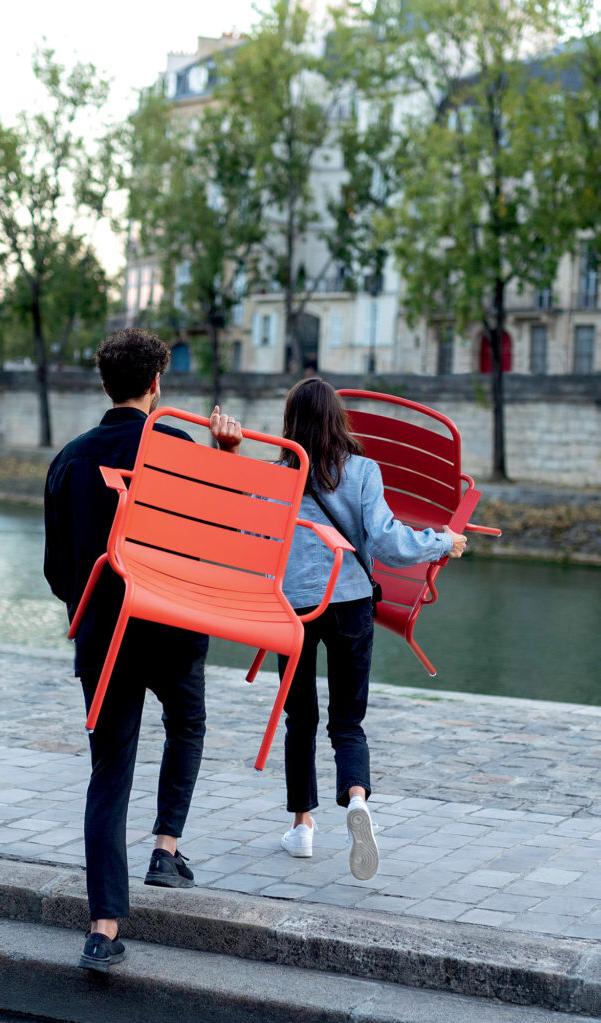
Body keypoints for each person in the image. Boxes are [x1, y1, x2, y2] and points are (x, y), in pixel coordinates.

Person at [43, 328, 241, 973]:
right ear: (157, 384)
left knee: (109, 773)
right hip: (173, 631)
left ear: (105, 384)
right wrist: (225, 453)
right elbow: (221, 538)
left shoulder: (70, 459)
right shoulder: (177, 449)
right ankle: (166, 846)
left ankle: (103, 927)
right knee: (187, 722)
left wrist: (91, 607)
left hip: (104, 636)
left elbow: (56, 571)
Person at [276, 378, 466, 881]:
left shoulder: (274, 473)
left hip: (293, 607)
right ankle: (356, 798)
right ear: (338, 419)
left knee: (301, 717)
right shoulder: (362, 471)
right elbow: (389, 543)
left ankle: (302, 827)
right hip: (351, 601)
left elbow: (254, 539)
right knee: (348, 721)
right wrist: (442, 542)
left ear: (291, 421)